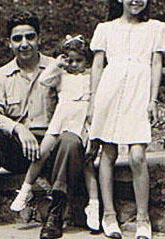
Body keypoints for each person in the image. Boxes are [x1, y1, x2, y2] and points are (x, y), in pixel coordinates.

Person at [0, 11, 86, 239]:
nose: (24, 44)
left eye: (30, 37)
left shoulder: (60, 67)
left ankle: (56, 212)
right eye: (17, 39)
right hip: (17, 149)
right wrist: (18, 128)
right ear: (9, 43)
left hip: (51, 148)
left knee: (71, 140)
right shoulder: (1, 76)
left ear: (39, 39)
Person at [88, 0, 165, 239]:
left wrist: (153, 99)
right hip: (109, 92)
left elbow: (156, 64)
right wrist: (92, 102)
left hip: (138, 92)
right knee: (108, 154)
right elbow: (98, 65)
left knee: (137, 155)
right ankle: (109, 215)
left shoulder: (155, 29)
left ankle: (143, 219)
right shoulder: (106, 29)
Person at [10, 34, 100, 231]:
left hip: (80, 122)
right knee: (41, 153)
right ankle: (26, 190)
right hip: (60, 120)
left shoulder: (91, 78)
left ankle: (94, 205)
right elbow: (44, 80)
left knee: (87, 164)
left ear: (87, 60)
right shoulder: (61, 76)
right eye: (71, 60)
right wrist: (57, 64)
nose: (74, 65)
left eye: (79, 60)